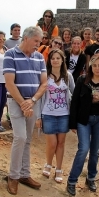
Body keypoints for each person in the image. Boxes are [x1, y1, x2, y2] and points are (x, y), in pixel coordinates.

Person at [4, 26, 47, 195]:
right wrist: (24, 103)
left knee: (27, 139)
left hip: (32, 102)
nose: (38, 44)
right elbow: (9, 83)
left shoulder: (39, 57)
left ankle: (24, 174)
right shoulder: (10, 54)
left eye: (40, 41)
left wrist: (33, 101)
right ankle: (13, 176)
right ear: (26, 38)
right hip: (17, 102)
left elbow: (44, 83)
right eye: (36, 41)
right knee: (20, 137)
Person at [67, 54, 99, 196]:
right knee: (83, 149)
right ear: (90, 66)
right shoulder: (82, 80)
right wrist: (72, 123)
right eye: (95, 65)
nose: (97, 68)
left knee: (95, 151)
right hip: (83, 120)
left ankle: (91, 178)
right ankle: (72, 180)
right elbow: (74, 102)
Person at [36, 49, 75, 183]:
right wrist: (38, 116)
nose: (55, 60)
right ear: (49, 60)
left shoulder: (68, 76)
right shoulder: (45, 76)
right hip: (48, 113)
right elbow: (39, 96)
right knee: (52, 143)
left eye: (58, 58)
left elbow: (73, 94)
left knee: (61, 143)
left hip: (64, 114)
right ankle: (48, 164)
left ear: (62, 60)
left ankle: (59, 168)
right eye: (53, 58)